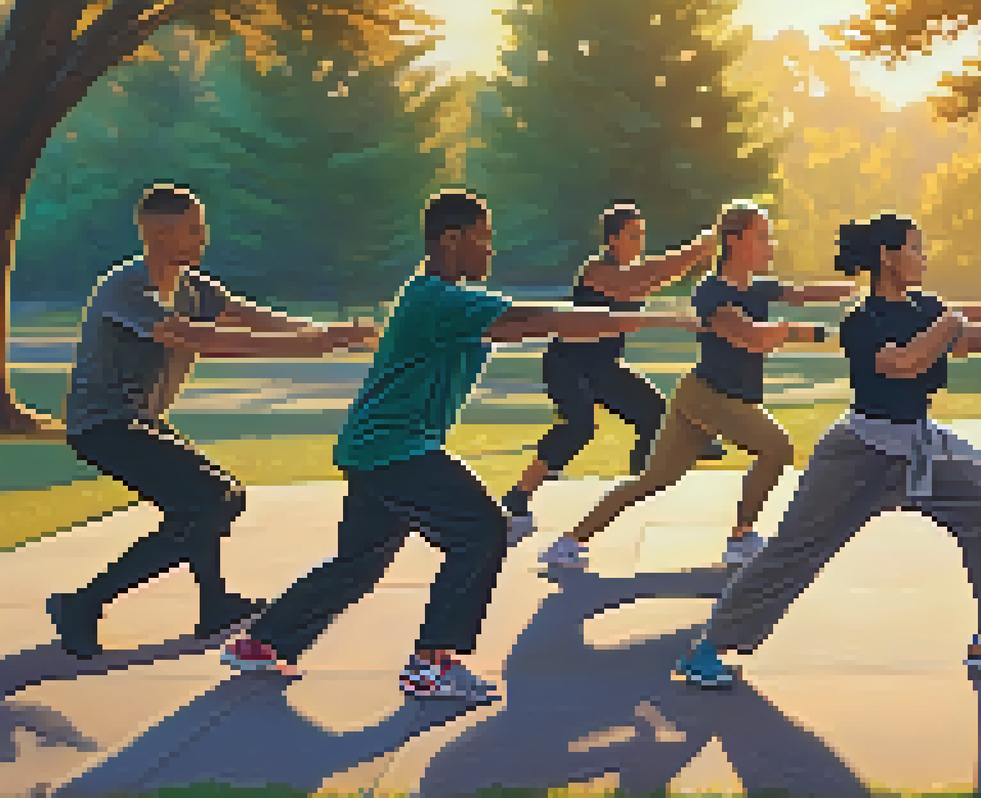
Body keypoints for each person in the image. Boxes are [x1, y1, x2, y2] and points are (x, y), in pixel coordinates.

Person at [219, 190, 699, 701]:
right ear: (452, 240)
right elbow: (538, 321)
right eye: (483, 239)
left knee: (358, 564)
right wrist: (653, 318)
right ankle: (431, 663)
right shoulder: (439, 298)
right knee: (482, 528)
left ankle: (263, 642)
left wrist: (617, 319)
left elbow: (534, 329)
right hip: (397, 447)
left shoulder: (436, 296)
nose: (490, 251)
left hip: (374, 447)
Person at [672, 213, 981, 690]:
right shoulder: (861, 322)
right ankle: (708, 648)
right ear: (887, 257)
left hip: (917, 449)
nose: (923, 258)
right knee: (795, 549)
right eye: (915, 249)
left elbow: (955, 342)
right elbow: (903, 363)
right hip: (859, 455)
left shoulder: (926, 307)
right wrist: (954, 325)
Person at [49, 184, 381, 660]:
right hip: (103, 425)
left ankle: (213, 603)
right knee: (213, 498)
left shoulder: (192, 287)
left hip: (138, 420)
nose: (203, 237)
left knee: (204, 503)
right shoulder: (126, 287)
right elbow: (189, 336)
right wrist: (310, 346)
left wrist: (328, 334)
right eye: (192, 228)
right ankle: (82, 605)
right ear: (158, 234)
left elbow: (250, 316)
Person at [539, 200, 856, 572]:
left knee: (656, 479)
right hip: (711, 397)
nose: (770, 246)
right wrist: (819, 333)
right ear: (734, 241)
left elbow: (804, 293)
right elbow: (748, 336)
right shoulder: (711, 292)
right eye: (762, 237)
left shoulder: (757, 289)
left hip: (703, 397)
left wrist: (859, 290)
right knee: (777, 447)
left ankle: (569, 541)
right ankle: (740, 539)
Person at [502, 202, 725, 537]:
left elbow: (652, 279)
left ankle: (647, 469)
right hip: (568, 365)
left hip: (604, 367)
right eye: (634, 235)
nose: (640, 241)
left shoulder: (632, 275)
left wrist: (702, 255)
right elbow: (637, 281)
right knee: (579, 427)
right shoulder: (598, 271)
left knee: (656, 413)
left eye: (642, 235)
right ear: (614, 240)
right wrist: (698, 249)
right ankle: (518, 496)